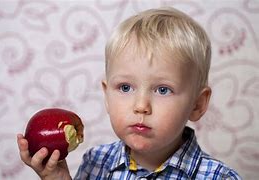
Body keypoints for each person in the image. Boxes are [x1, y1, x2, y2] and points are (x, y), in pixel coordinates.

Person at [17, 7, 242, 179]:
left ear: (197, 105)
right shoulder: (96, 164)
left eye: (163, 89)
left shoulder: (218, 176)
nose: (141, 105)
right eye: (125, 87)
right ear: (106, 95)